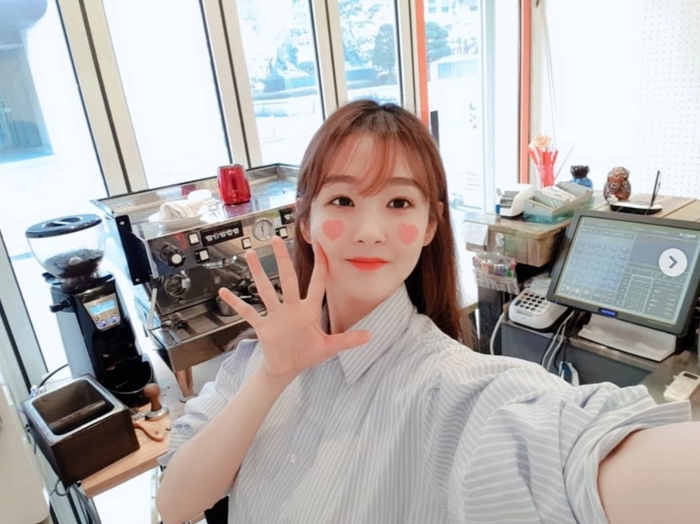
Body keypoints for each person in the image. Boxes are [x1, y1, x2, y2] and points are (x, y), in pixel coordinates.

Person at [156, 100, 700, 524]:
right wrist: (270, 378)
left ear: (430, 224)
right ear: (306, 220)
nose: (371, 230)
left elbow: (573, 451)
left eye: (398, 203)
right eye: (343, 200)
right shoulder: (255, 362)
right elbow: (176, 503)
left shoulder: (456, 390)